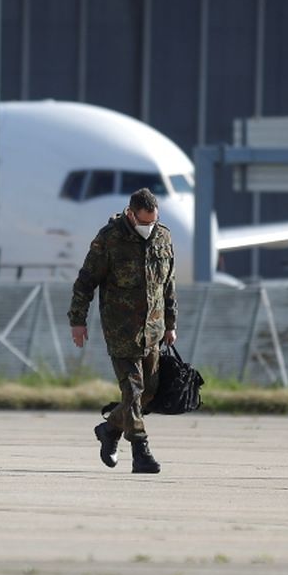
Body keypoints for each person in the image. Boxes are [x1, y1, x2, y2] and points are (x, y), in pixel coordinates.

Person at [69, 188, 177, 475]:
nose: (148, 228)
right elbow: (85, 282)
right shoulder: (109, 239)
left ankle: (110, 429)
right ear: (130, 214)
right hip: (121, 329)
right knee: (132, 389)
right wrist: (77, 320)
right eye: (143, 222)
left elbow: (168, 285)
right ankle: (141, 452)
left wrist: (171, 324)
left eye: (153, 222)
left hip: (153, 330)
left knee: (148, 393)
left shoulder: (163, 237)